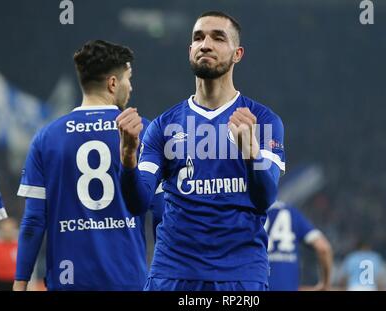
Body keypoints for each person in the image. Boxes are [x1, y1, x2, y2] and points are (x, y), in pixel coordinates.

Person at [117, 11, 285, 291]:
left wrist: (251, 153)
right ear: (190, 50)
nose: (205, 44)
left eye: (218, 37)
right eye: (198, 38)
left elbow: (265, 197)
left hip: (239, 276)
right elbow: (137, 202)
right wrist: (128, 158)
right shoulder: (163, 125)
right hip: (173, 274)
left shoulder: (263, 120)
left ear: (237, 54)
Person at [13, 40, 161, 291]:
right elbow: (161, 215)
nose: (131, 86)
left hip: (68, 282)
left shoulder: (47, 137)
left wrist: (20, 282)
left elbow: (34, 221)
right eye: (128, 78)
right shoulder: (142, 131)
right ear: (113, 83)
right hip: (128, 280)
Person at [265, 201, 333, 291]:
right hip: (286, 286)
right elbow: (323, 248)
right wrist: (325, 283)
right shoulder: (291, 213)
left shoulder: (249, 213)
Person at [0, 218, 18, 290]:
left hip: (15, 281)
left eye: (9, 230)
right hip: (0, 281)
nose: (7, 233)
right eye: (5, 231)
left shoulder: (19, 246)